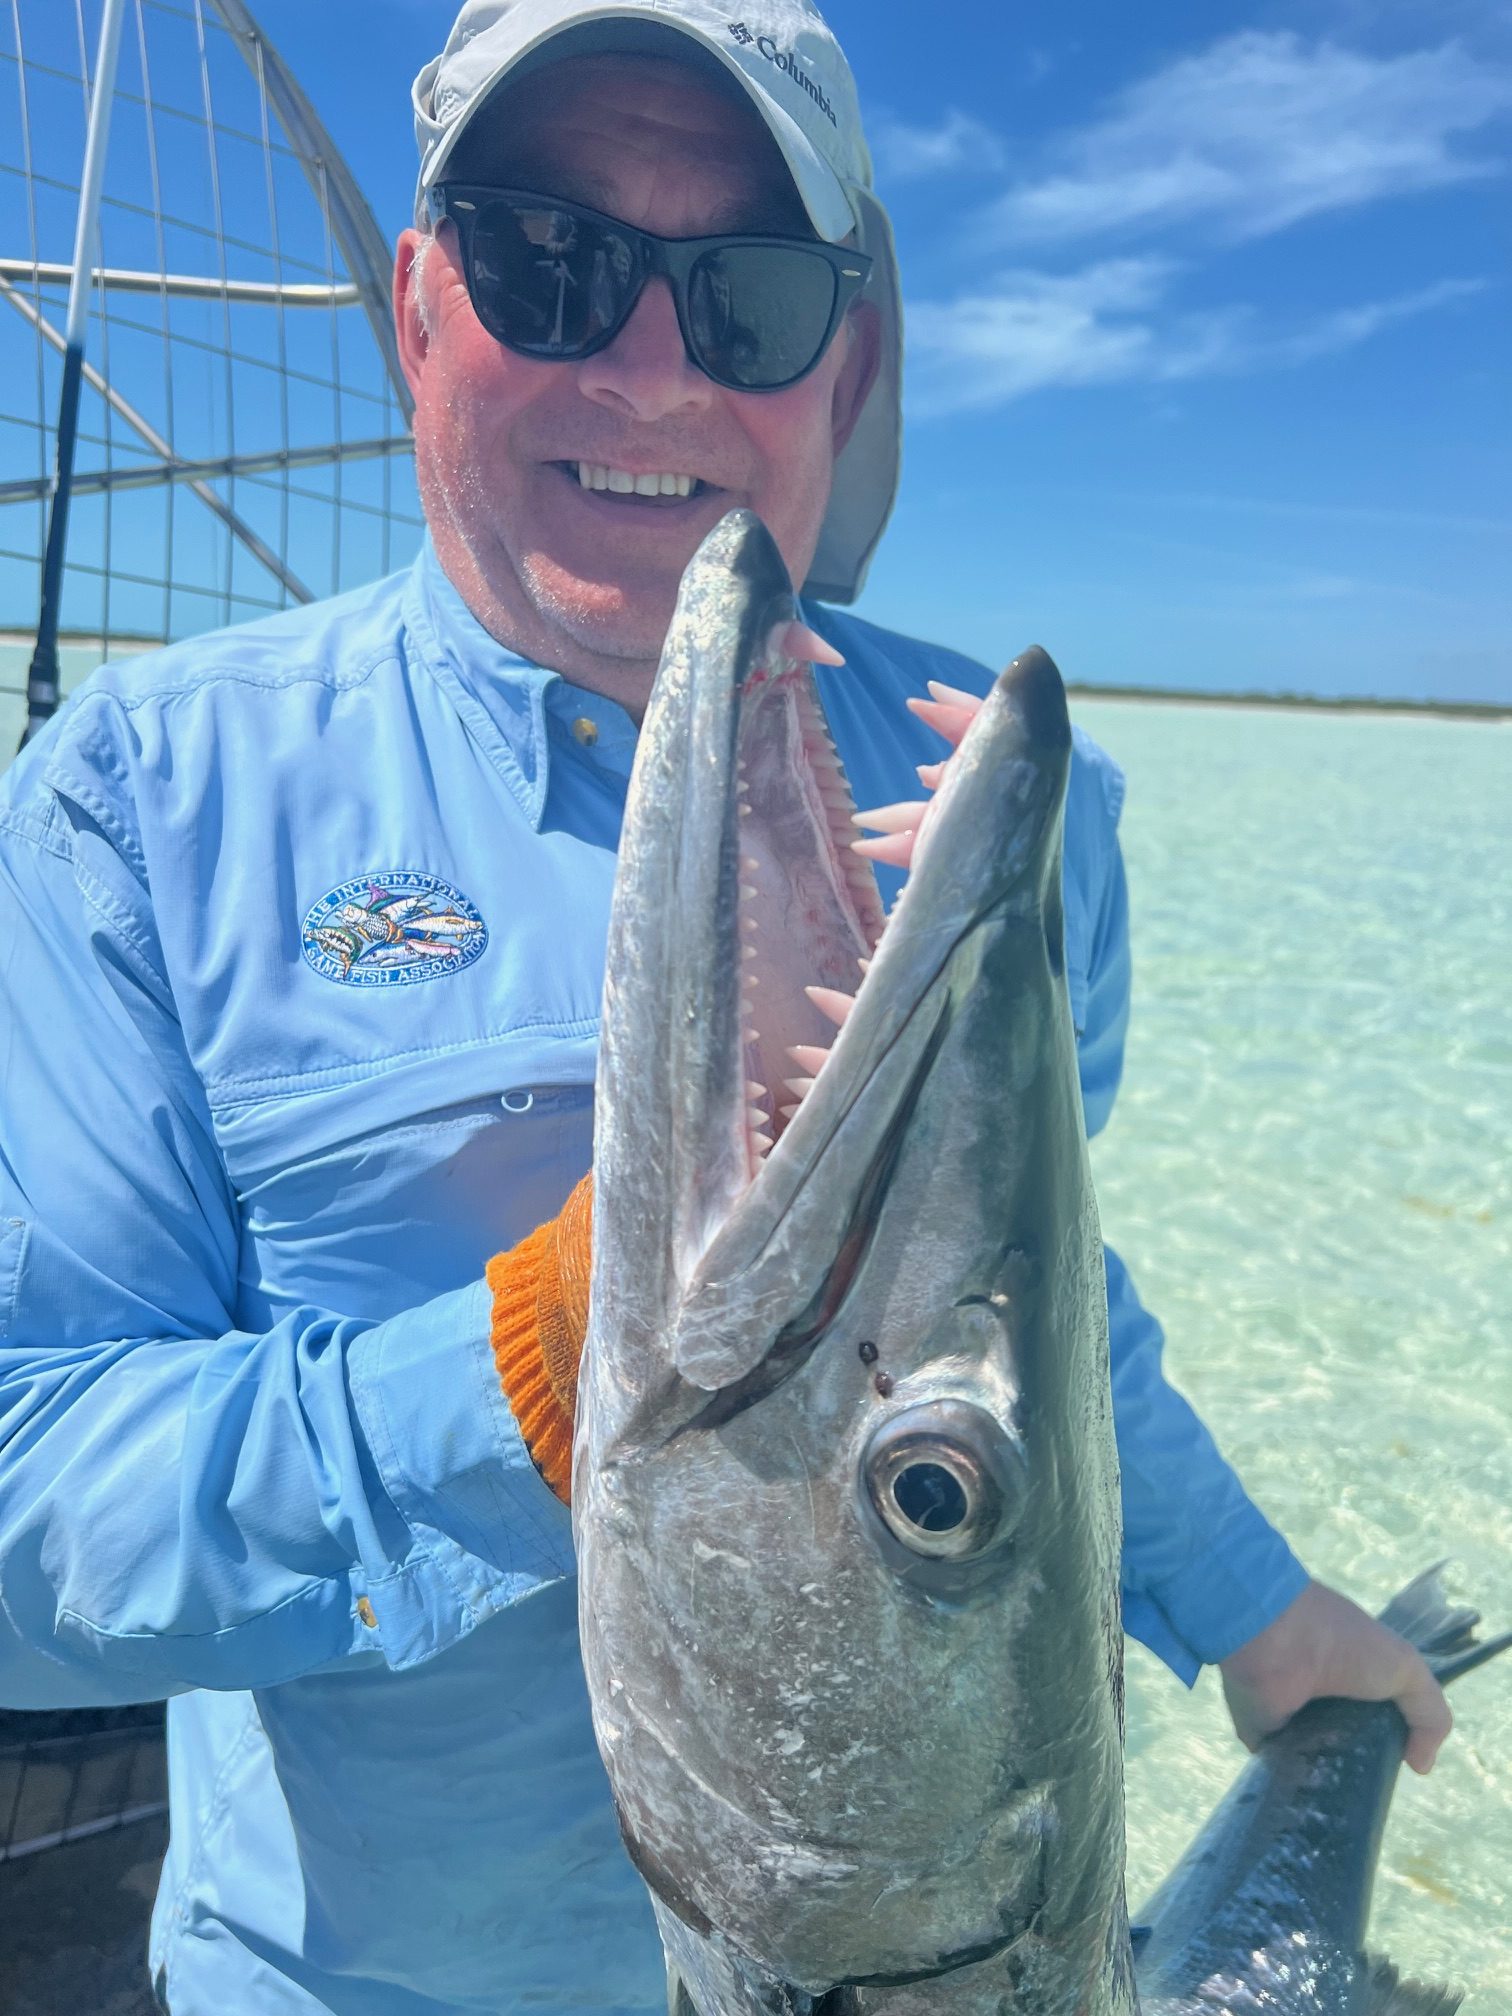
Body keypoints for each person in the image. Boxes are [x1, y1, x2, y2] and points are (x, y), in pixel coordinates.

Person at [0, 3, 1449, 2011]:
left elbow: (1022, 1317)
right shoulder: (143, 806)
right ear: (419, 311)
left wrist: (1259, 1611)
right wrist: (534, 1367)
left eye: (750, 294)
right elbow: (19, 1527)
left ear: (845, 364)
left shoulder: (1012, 816)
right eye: (549, 262)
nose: (652, 364)